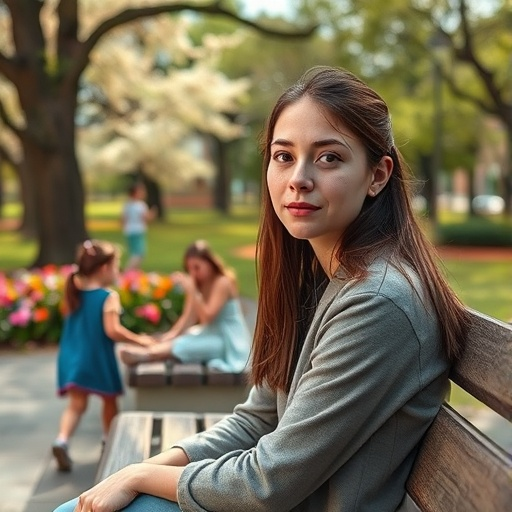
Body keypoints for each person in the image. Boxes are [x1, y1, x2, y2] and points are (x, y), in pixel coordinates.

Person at [54, 66, 469, 511]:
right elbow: (259, 418)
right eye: (284, 156)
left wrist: (142, 474)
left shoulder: (378, 303)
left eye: (329, 157)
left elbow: (267, 483)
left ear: (378, 176)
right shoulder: (320, 278)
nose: (299, 178)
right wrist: (141, 471)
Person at [52, 239, 156, 472]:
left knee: (76, 405)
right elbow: (112, 330)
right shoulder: (108, 296)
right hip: (96, 359)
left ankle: (62, 439)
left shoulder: (74, 291)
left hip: (71, 358)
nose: (118, 271)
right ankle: (110, 443)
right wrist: (141, 340)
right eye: (116, 265)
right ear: (104, 269)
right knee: (109, 401)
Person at [119, 240, 251, 374]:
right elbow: (188, 319)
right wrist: (170, 336)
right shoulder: (199, 284)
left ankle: (148, 355)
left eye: (197, 267)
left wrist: (193, 291)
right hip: (209, 333)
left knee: (186, 345)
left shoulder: (222, 282)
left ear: (209, 262)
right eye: (190, 269)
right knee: (186, 336)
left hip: (227, 341)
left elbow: (207, 318)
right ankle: (151, 351)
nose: (193, 273)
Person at [121, 182, 156, 270]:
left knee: (134, 253)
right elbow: (145, 218)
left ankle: (135, 276)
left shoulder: (127, 205)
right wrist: (152, 214)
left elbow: (123, 219)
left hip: (129, 232)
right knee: (139, 254)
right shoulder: (140, 205)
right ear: (136, 192)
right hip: (138, 231)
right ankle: (126, 273)